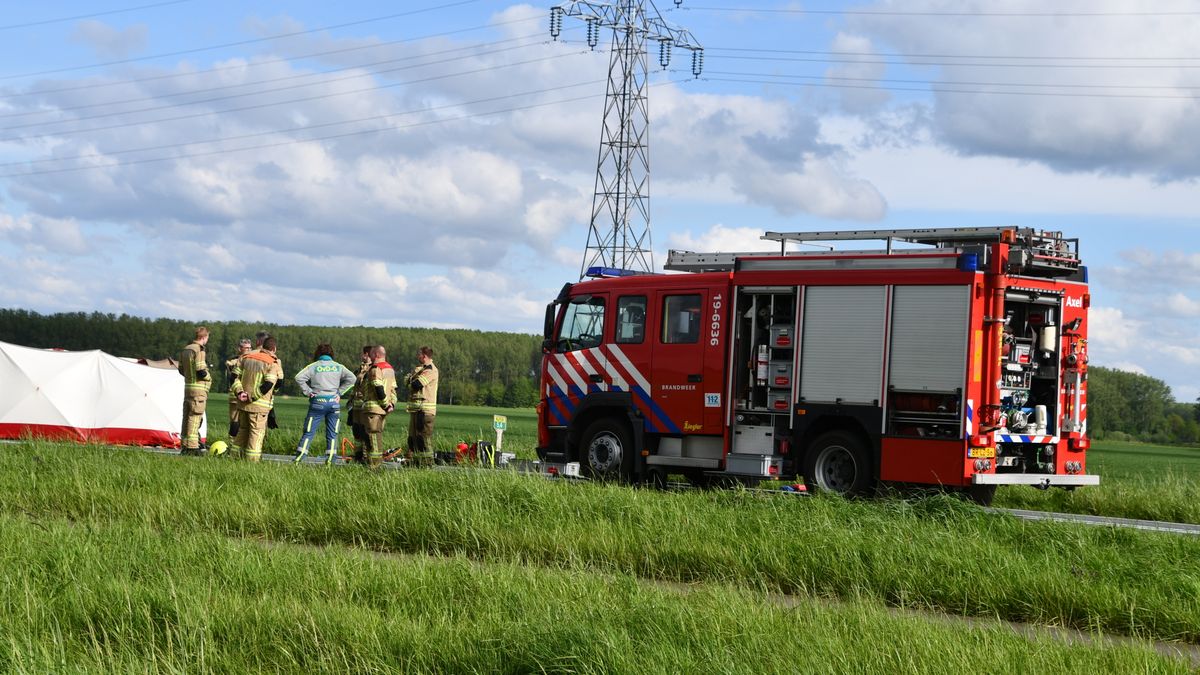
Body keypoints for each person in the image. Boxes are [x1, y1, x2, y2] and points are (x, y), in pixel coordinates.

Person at [293, 343, 356, 465]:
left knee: (309, 431)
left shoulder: (314, 366)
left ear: (318, 354)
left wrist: (309, 392)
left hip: (318, 402)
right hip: (333, 403)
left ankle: (300, 457)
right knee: (332, 433)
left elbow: (298, 377)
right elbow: (352, 379)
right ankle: (331, 459)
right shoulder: (338, 366)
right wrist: (340, 393)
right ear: (331, 354)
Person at [229, 336, 283, 462]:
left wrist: (240, 393)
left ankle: (233, 458)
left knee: (242, 431)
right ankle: (252, 463)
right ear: (274, 349)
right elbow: (269, 384)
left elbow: (233, 377)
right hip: (258, 406)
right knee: (256, 434)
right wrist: (252, 397)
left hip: (242, 405)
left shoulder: (246, 358)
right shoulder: (272, 363)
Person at [358, 345, 397, 468]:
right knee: (377, 436)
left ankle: (374, 466)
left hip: (374, 409)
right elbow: (393, 389)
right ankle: (376, 463)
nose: (370, 357)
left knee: (373, 438)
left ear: (377, 355)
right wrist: (392, 404)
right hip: (383, 410)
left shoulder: (376, 368)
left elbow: (378, 387)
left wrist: (385, 404)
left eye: (372, 355)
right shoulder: (390, 369)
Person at [178, 326, 212, 455]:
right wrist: (209, 378)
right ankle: (192, 447)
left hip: (188, 387)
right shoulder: (199, 350)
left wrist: (189, 378)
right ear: (204, 337)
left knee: (186, 416)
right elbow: (200, 370)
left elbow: (181, 369)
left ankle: (185, 444)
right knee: (195, 416)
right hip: (199, 389)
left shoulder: (186, 349)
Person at [404, 346, 439, 467]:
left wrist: (410, 379)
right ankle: (416, 462)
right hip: (417, 410)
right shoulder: (421, 369)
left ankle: (427, 463)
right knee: (413, 439)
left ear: (424, 356)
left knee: (423, 439)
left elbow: (416, 384)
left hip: (425, 411)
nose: (417, 356)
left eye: (419, 354)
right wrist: (411, 379)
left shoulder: (430, 370)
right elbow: (409, 382)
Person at [345, 345, 373, 462]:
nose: (362, 356)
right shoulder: (359, 369)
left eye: (364, 354)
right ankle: (358, 456)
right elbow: (355, 387)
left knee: (365, 432)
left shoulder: (372, 369)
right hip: (356, 406)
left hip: (365, 407)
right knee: (356, 432)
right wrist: (350, 402)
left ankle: (366, 456)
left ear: (368, 355)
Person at [224, 338, 252, 438]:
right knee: (234, 422)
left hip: (247, 395)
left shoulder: (251, 360)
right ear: (240, 349)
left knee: (246, 424)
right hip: (235, 396)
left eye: (250, 348)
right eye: (246, 348)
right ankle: (232, 444)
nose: (249, 350)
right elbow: (231, 367)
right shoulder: (234, 361)